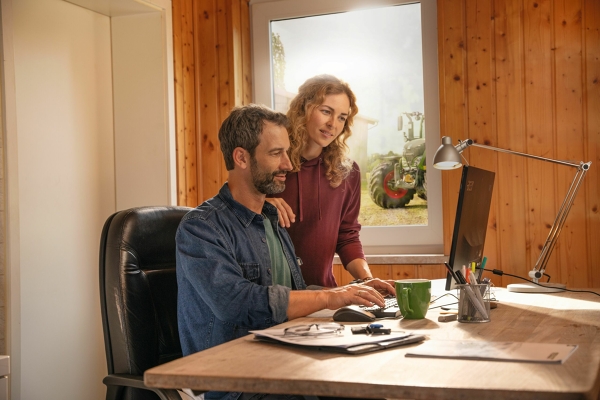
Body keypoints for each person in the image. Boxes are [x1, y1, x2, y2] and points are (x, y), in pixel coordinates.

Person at [176, 104, 395, 400]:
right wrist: (329, 296)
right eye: (276, 153)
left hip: (284, 361)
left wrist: (351, 291)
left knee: (374, 376)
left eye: (287, 152)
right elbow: (236, 303)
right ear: (241, 157)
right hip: (239, 383)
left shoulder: (272, 220)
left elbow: (294, 294)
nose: (288, 165)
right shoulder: (201, 228)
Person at [267, 75, 373, 288]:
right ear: (303, 108)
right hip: (274, 299)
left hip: (324, 296)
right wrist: (261, 206)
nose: (332, 124)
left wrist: (368, 280)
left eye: (342, 117)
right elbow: (235, 214)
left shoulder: (347, 172)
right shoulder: (271, 163)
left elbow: (347, 236)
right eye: (326, 111)